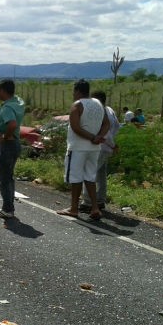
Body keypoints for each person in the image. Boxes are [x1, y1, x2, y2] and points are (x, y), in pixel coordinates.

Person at [56, 79, 109, 221]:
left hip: (78, 148)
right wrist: (98, 137)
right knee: (90, 177)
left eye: (74, 91)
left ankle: (74, 209)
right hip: (94, 149)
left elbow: (75, 127)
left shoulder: (77, 105)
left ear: (77, 91)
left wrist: (92, 137)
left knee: (76, 178)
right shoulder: (98, 104)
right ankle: (95, 207)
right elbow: (106, 124)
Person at [0, 79, 25, 219]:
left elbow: (12, 124)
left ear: (4, 91)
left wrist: (4, 137)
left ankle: (7, 209)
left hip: (7, 145)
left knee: (4, 179)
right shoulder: (17, 102)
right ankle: (9, 207)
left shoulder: (7, 108)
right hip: (14, 143)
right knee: (9, 177)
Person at [80, 91, 120, 212]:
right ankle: (100, 200)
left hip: (99, 147)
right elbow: (117, 126)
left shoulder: (98, 112)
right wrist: (112, 143)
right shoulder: (110, 110)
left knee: (89, 174)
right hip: (107, 148)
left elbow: (104, 132)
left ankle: (87, 202)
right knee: (101, 175)